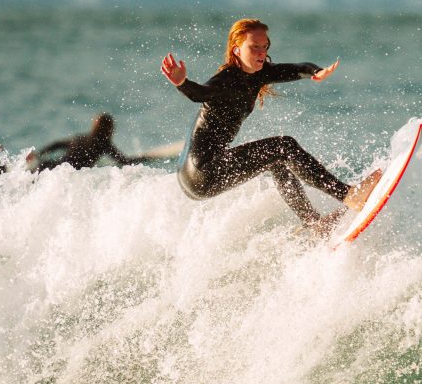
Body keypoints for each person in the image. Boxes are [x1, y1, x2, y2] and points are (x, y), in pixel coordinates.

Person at [161, 18, 381, 234]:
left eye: (264, 47)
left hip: (200, 173)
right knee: (282, 146)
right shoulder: (225, 80)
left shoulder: (260, 73)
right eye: (254, 47)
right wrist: (182, 83)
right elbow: (200, 94)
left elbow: (297, 68)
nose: (261, 53)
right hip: (201, 172)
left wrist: (316, 72)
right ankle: (348, 195)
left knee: (277, 161)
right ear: (236, 50)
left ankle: (313, 223)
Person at [0, 113, 153, 172]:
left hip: (51, 165)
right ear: (109, 131)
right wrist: (144, 159)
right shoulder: (104, 144)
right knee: (16, 174)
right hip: (62, 173)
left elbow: (57, 144)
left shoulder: (80, 138)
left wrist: (39, 153)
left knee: (13, 173)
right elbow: (122, 161)